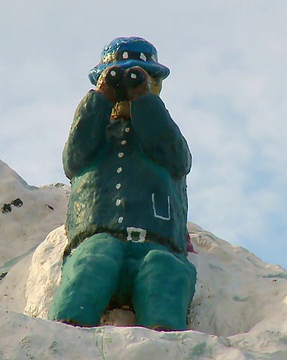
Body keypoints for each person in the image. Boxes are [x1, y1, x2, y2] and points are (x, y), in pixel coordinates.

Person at [48, 37, 196, 330]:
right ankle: (66, 331)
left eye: (144, 79)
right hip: (98, 237)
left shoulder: (162, 135)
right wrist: (100, 98)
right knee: (93, 261)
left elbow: (177, 158)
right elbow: (73, 159)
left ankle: (164, 341)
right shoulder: (95, 137)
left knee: (163, 271)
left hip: (157, 244)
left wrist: (145, 103)